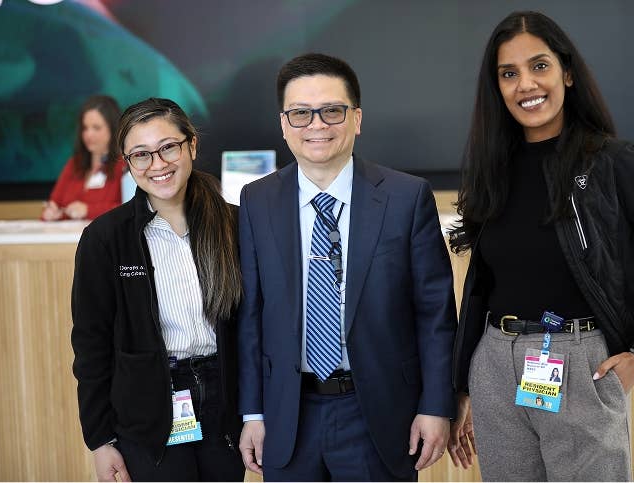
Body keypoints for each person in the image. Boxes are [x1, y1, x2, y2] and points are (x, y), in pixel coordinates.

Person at [237, 53, 458, 481]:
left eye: (331, 111)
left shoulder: (406, 197)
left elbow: (435, 315)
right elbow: (250, 316)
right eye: (301, 113)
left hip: (377, 412)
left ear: (356, 118)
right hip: (288, 414)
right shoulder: (256, 200)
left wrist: (435, 406)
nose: (316, 125)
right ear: (284, 124)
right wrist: (252, 412)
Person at [448, 11, 634, 481]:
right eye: (509, 74)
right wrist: (461, 386)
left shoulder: (612, 163)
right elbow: (482, 286)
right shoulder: (493, 173)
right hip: (496, 363)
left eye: (540, 66)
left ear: (567, 73)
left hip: (580, 362)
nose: (526, 84)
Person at [71, 97, 244, 481]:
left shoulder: (234, 224)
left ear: (192, 145)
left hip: (225, 406)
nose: (158, 164)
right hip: (148, 408)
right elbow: (90, 346)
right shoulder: (105, 239)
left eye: (168, 147)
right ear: (127, 164)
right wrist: (100, 441)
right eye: (141, 155)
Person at [42, 95, 125, 221]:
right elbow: (54, 204)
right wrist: (50, 213)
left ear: (113, 129)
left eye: (96, 128)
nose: (88, 134)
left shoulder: (124, 165)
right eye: (85, 128)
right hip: (66, 238)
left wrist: (88, 210)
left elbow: (130, 210)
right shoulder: (74, 164)